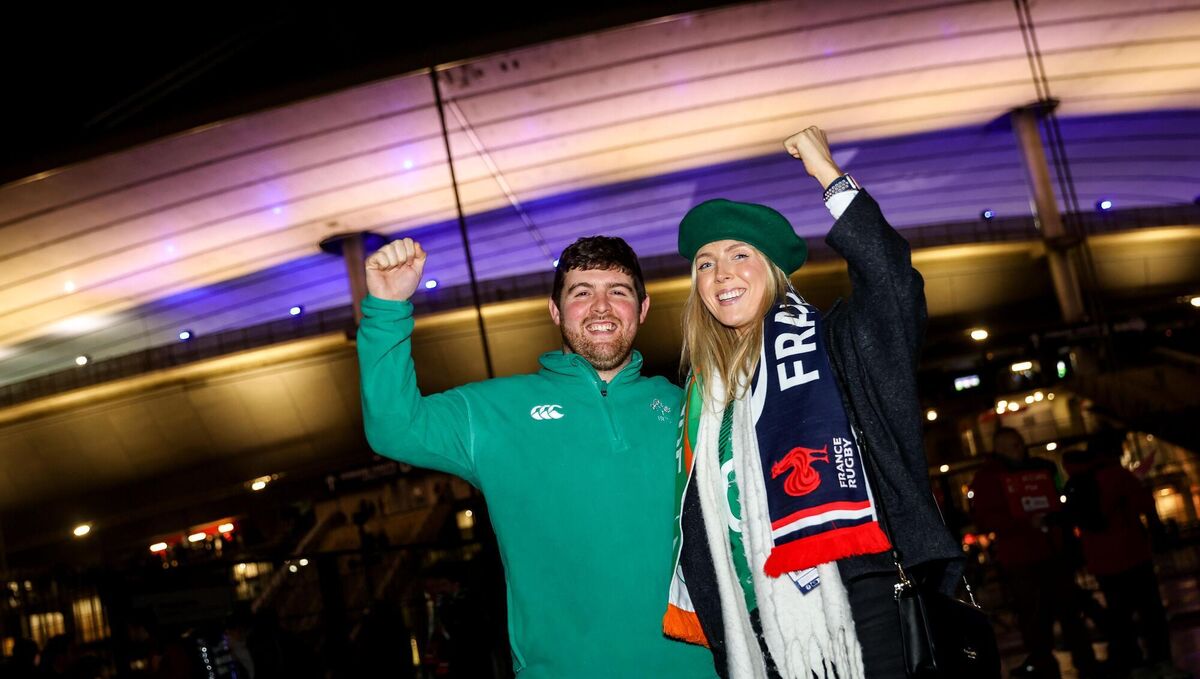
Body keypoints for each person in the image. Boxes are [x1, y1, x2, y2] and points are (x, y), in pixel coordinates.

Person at [663, 125, 963, 679]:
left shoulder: (833, 344)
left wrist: (829, 175)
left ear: (773, 271)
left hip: (858, 597)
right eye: (705, 263)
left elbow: (894, 289)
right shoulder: (701, 401)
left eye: (738, 254)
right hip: (754, 624)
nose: (721, 273)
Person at [357, 235, 718, 678]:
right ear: (555, 311)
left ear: (642, 309)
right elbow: (395, 429)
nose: (601, 307)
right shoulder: (494, 412)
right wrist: (387, 309)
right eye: (581, 293)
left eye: (618, 292)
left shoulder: (693, 410)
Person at [971, 427, 1100, 679]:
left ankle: (1085, 664)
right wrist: (1022, 523)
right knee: (1035, 618)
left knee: (1068, 612)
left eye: (1019, 443)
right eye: (1012, 445)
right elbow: (986, 519)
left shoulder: (1035, 468)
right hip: (1021, 557)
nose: (1019, 448)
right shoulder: (989, 478)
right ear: (999, 449)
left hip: (1048, 551)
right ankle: (1048, 667)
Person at [1062, 434, 1189, 679]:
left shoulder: (1077, 480)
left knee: (1120, 616)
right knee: (1151, 612)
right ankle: (1161, 661)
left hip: (1101, 561)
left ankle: (1133, 664)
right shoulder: (1118, 476)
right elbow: (1144, 504)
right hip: (1132, 554)